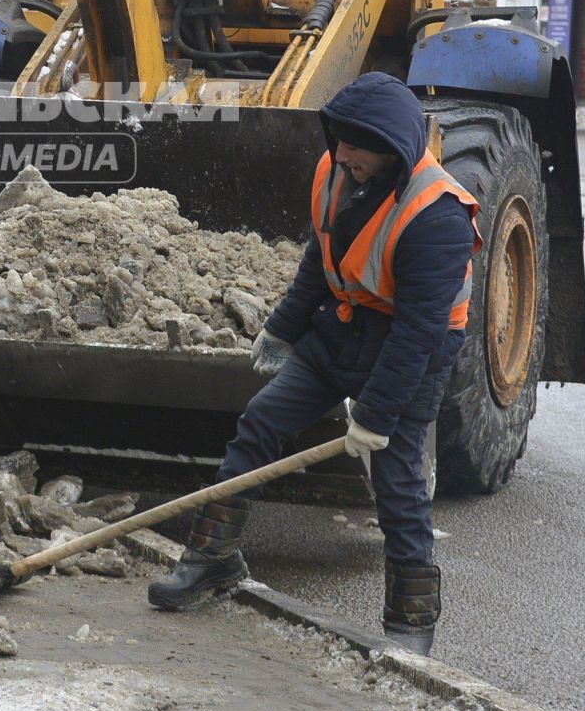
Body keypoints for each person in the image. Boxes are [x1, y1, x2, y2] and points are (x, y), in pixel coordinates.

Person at [146, 72, 479, 654]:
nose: (341, 153)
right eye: (339, 139)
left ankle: (411, 622)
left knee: (397, 476)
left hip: (413, 350)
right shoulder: (336, 170)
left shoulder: (439, 216)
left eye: (356, 144)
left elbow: (419, 331)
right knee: (261, 421)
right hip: (341, 326)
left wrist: (374, 415)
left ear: (391, 146)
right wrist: (284, 326)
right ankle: (212, 558)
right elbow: (319, 256)